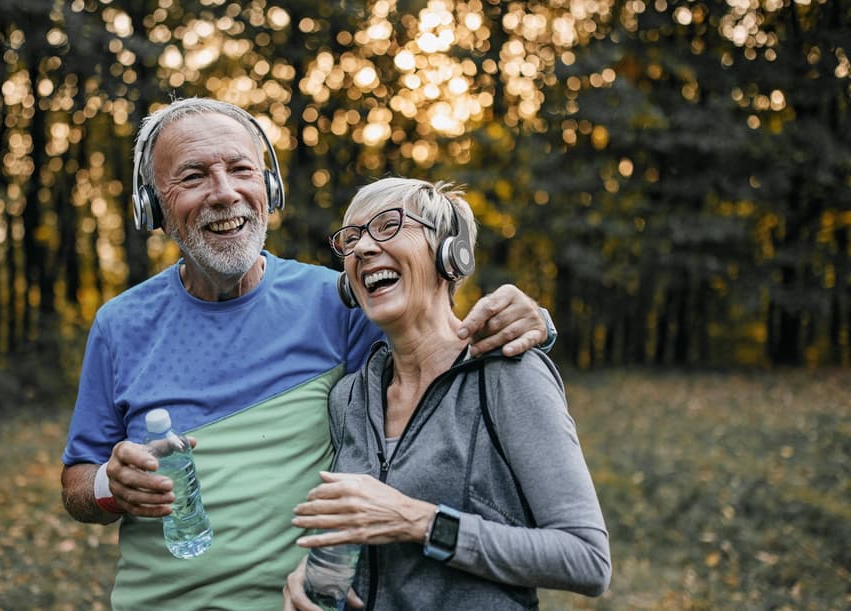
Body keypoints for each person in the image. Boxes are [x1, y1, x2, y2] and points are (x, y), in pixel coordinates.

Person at [60, 98, 555, 610]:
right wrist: (108, 486)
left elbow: (441, 350)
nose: (224, 193)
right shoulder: (120, 325)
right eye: (193, 177)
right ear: (154, 209)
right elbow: (78, 479)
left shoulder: (336, 300)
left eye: (240, 170)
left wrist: (533, 322)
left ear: (268, 189)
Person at [282, 177, 610, 610]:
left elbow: (586, 560)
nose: (362, 248)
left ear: (448, 254)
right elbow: (364, 533)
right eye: (352, 238)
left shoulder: (509, 375)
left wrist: (417, 521)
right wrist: (317, 576)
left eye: (388, 225)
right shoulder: (349, 398)